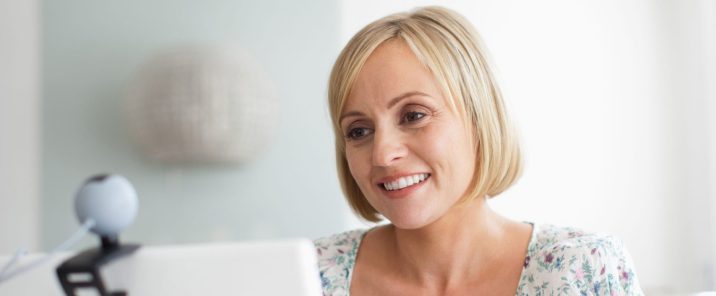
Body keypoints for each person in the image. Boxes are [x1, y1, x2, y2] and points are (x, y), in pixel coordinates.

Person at [315, 6, 643, 296]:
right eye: (358, 131)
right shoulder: (314, 275)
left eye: (414, 115)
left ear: (479, 118)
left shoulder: (582, 270)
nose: (382, 155)